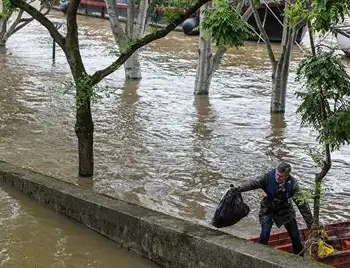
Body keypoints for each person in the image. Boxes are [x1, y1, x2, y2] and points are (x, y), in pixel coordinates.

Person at [237, 162, 313, 255]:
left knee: (295, 236)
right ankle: (259, 255)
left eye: (281, 176)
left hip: (285, 209)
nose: (277, 177)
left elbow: (302, 204)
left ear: (286, 176)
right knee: (265, 234)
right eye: (277, 174)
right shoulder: (267, 177)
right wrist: (238, 189)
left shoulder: (293, 184)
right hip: (268, 209)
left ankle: (299, 257)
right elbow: (253, 183)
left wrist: (310, 223)